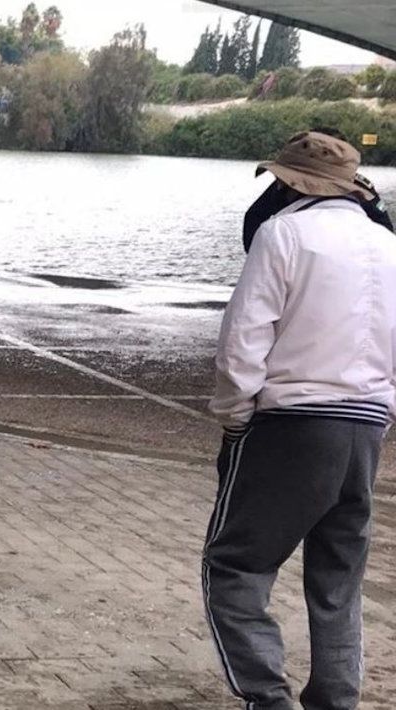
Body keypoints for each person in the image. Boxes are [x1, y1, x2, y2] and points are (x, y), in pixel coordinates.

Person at [205, 131, 396, 710]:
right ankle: (336, 699)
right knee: (339, 579)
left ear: (288, 181)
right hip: (365, 426)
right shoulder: (388, 245)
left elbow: (243, 342)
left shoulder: (282, 233)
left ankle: (269, 699)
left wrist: (236, 420)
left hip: (291, 425)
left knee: (234, 566)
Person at [243, 127, 392, 251]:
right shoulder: (289, 183)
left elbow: (384, 229)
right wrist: (258, 255)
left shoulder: (360, 188)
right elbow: (255, 216)